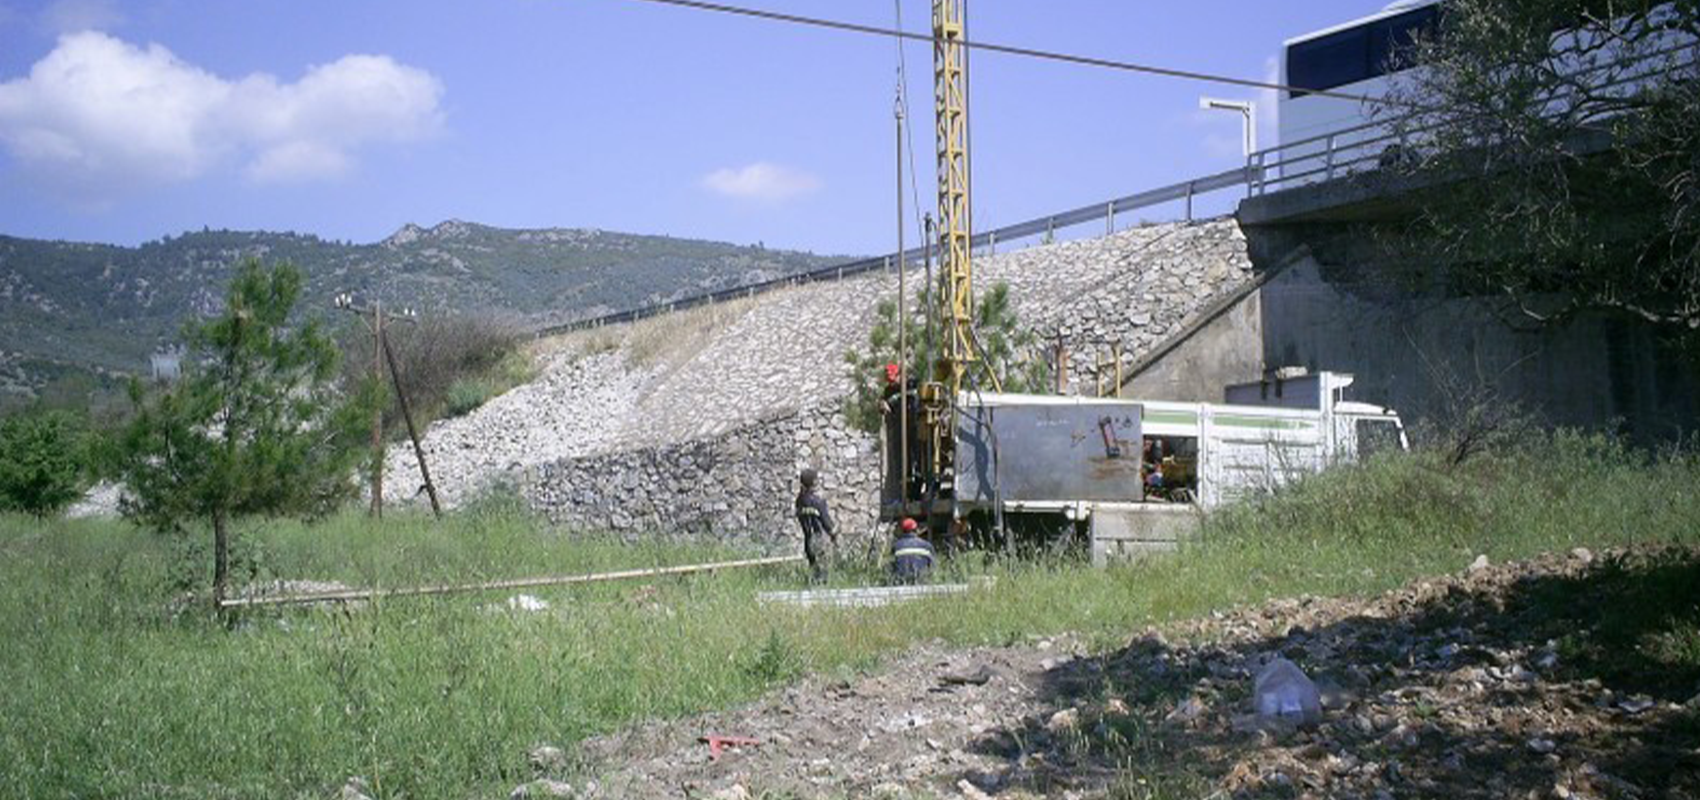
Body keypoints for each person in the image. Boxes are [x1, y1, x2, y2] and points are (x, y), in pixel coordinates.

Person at [794, 468, 836, 584]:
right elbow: (827, 524)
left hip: (808, 540)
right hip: (819, 540)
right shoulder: (818, 502)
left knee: (813, 569)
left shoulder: (799, 502)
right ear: (814, 483)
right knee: (823, 573)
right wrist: (834, 535)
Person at [889, 517, 935, 585]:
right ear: (916, 530)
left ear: (902, 531)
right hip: (922, 583)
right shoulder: (927, 546)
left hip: (901, 583)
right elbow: (933, 567)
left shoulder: (896, 547)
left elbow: (891, 567)